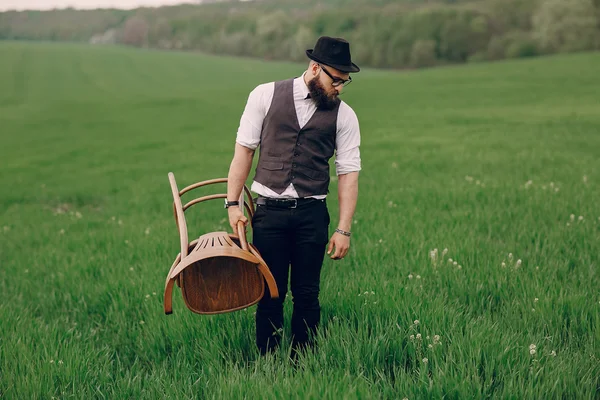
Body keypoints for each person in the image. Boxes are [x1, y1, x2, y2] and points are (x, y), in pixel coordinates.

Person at [225, 36, 362, 357]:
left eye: (345, 82)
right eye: (336, 80)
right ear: (315, 68)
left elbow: (349, 174)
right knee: (269, 292)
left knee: (307, 293)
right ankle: (268, 360)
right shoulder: (265, 95)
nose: (340, 88)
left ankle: (304, 361)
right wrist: (232, 204)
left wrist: (344, 229)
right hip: (269, 213)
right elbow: (243, 152)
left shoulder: (345, 116)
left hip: (311, 215)